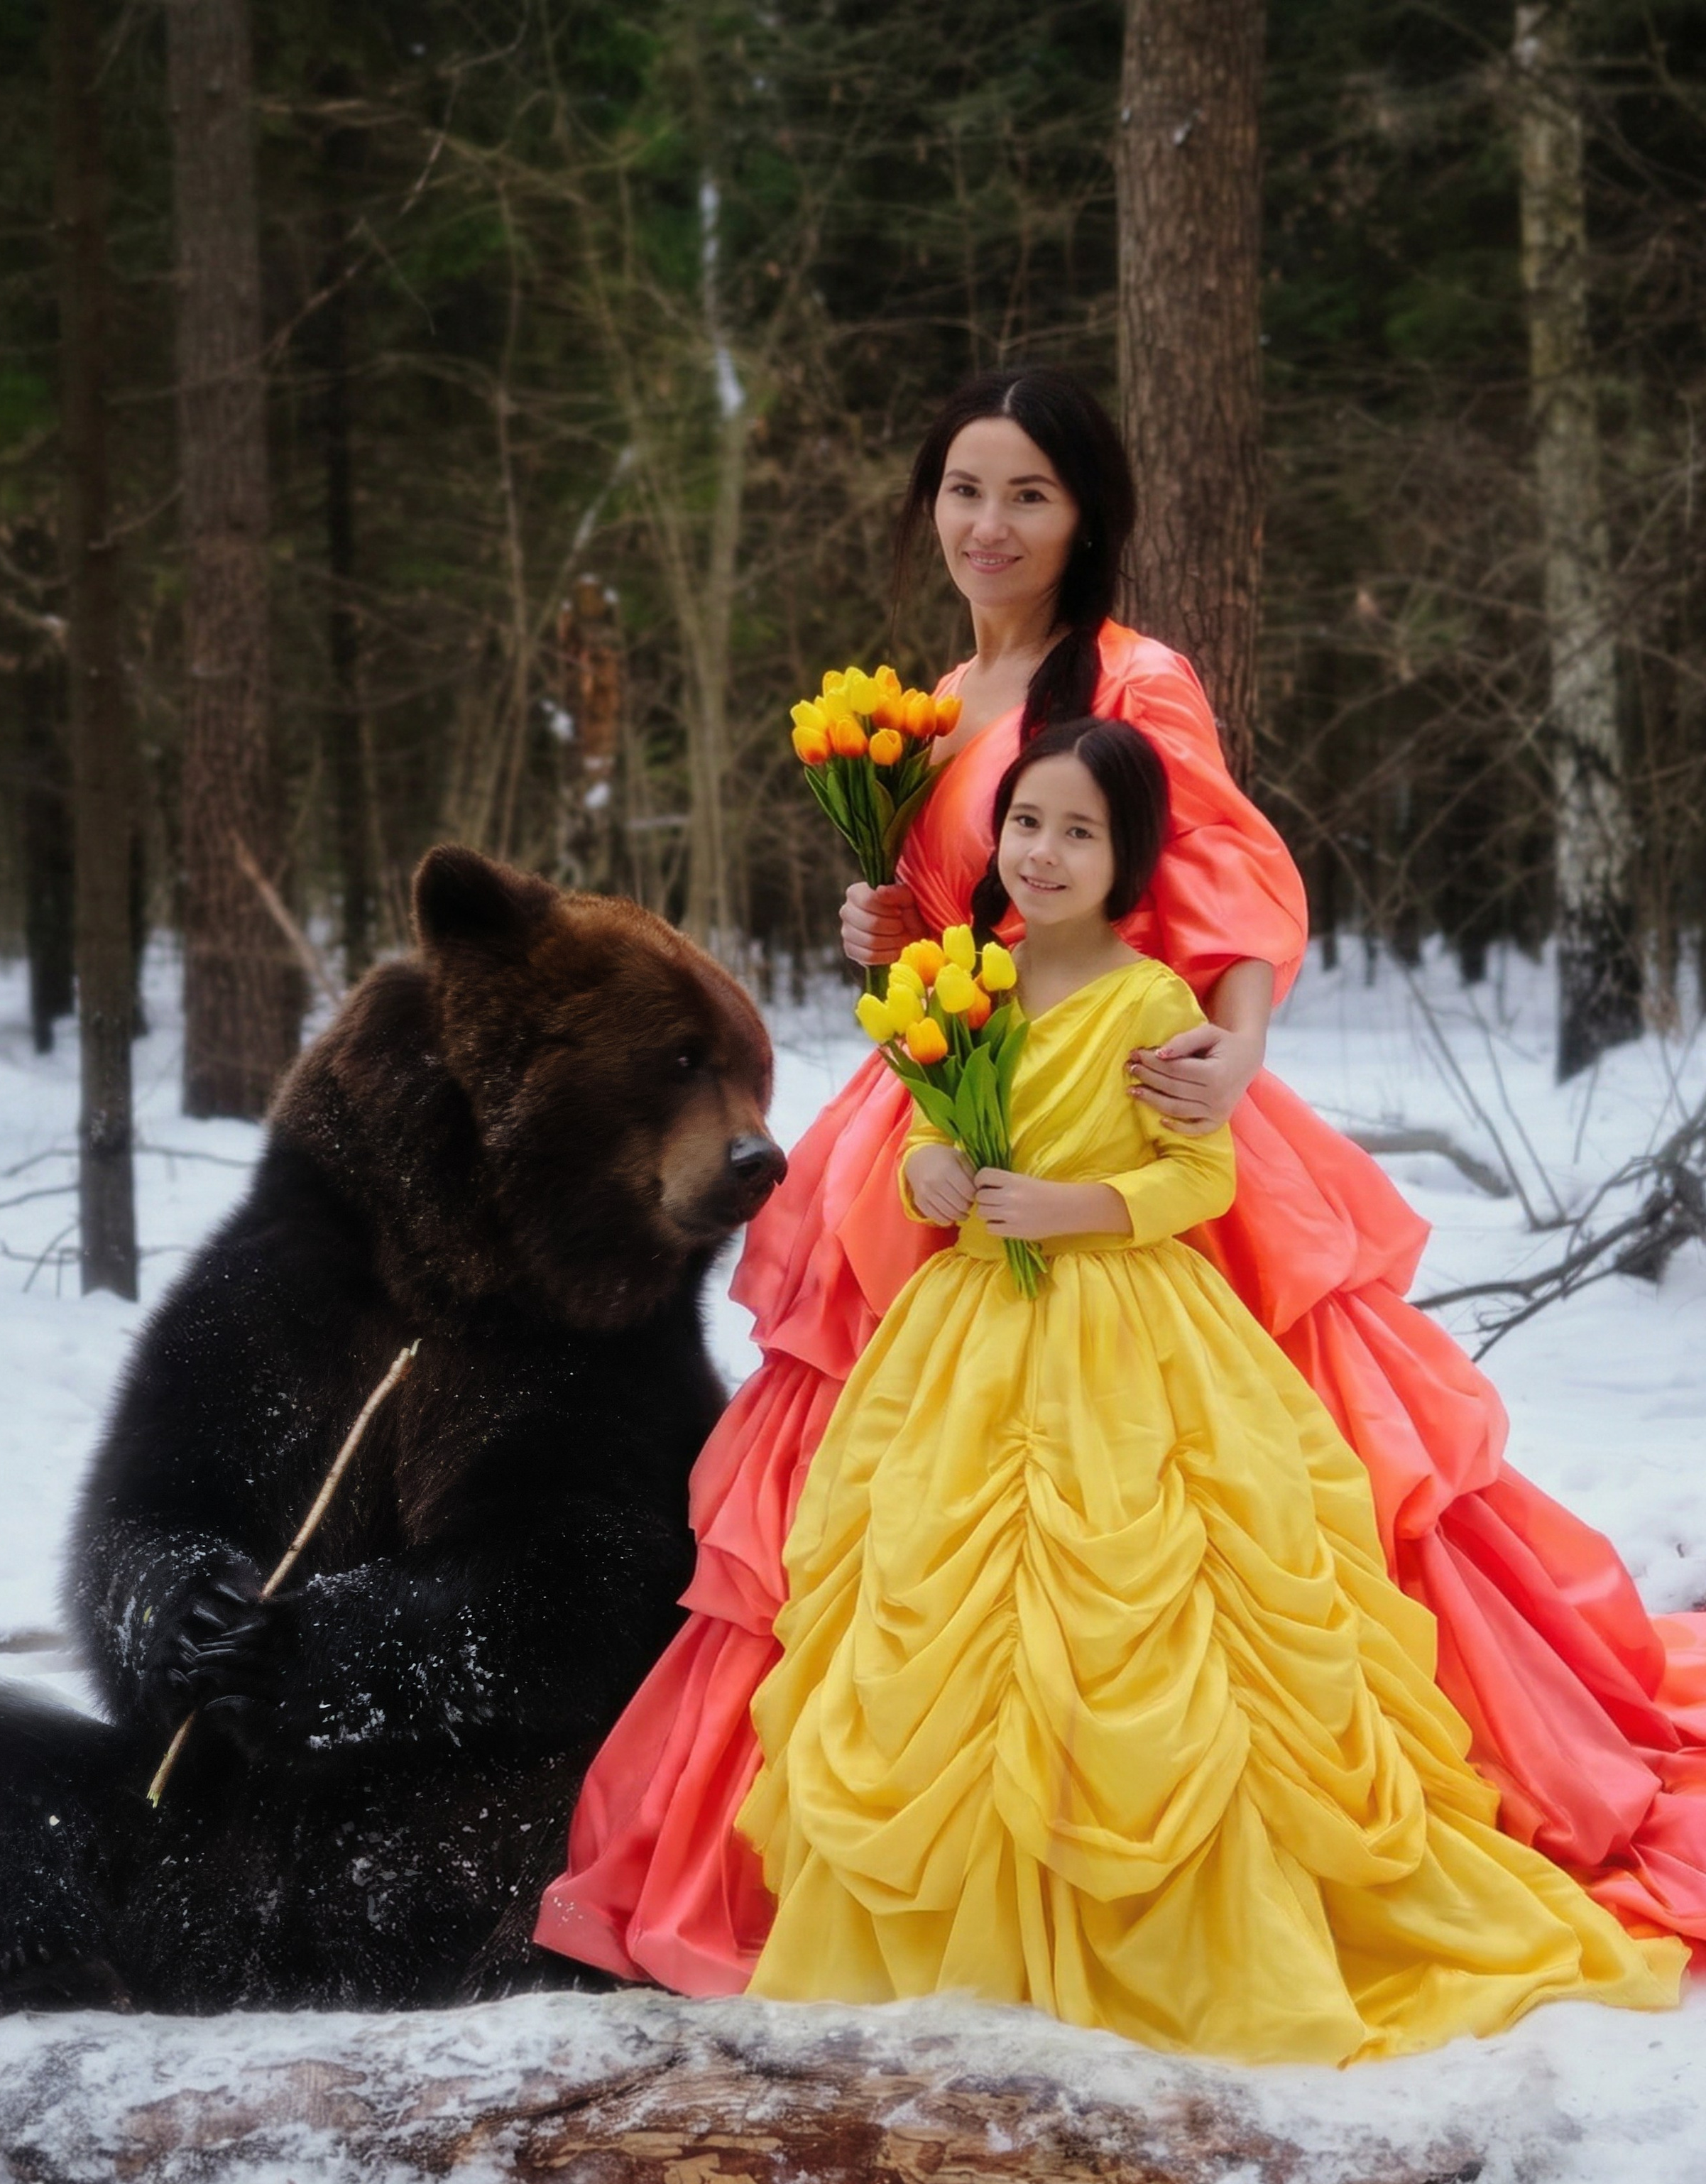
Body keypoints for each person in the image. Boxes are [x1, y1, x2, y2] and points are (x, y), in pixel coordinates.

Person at [535, 368, 1706, 1996]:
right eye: (961, 490)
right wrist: (893, 931)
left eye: (1026, 495)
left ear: (1082, 516)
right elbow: (976, 906)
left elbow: (1214, 870)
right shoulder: (941, 693)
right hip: (956, 1106)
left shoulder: (1135, 678)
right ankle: (907, 1849)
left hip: (1120, 1102)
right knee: (898, 1497)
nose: (988, 525)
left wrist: (1233, 1042)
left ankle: (1193, 1820)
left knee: (1206, 1498)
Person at [736, 715, 1680, 2055]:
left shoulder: (1149, 999)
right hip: (964, 1347)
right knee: (941, 1606)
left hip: (1128, 1338)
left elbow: (1201, 1179)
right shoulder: (964, 985)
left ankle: (1194, 1935)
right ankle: (959, 1948)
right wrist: (929, 1178)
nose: (1046, 853)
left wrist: (1075, 1205)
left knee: (1149, 1604)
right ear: (993, 837)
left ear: (1128, 862)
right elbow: (929, 1148)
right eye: (1026, 824)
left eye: (1081, 833)